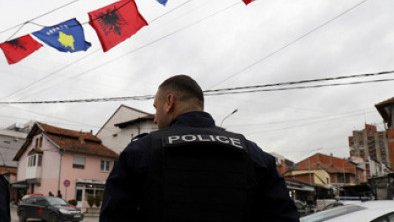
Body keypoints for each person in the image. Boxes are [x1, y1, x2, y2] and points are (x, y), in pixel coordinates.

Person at [100, 75, 298, 222]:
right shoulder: (254, 154)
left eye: (155, 107)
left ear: (169, 102)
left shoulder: (139, 152)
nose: (154, 117)